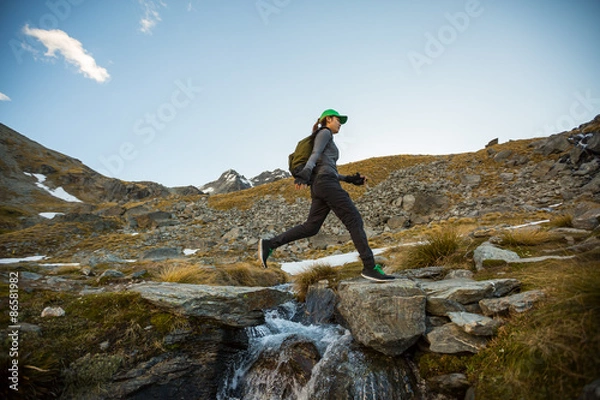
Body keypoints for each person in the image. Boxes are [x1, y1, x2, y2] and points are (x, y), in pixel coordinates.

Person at [258, 109, 395, 282]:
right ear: (328, 119)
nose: (340, 124)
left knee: (311, 227)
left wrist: (350, 179)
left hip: (320, 185)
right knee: (354, 219)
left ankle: (269, 244)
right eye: (338, 120)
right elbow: (315, 155)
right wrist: (305, 173)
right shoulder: (324, 132)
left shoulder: (326, 137)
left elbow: (326, 167)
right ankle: (369, 267)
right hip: (325, 184)